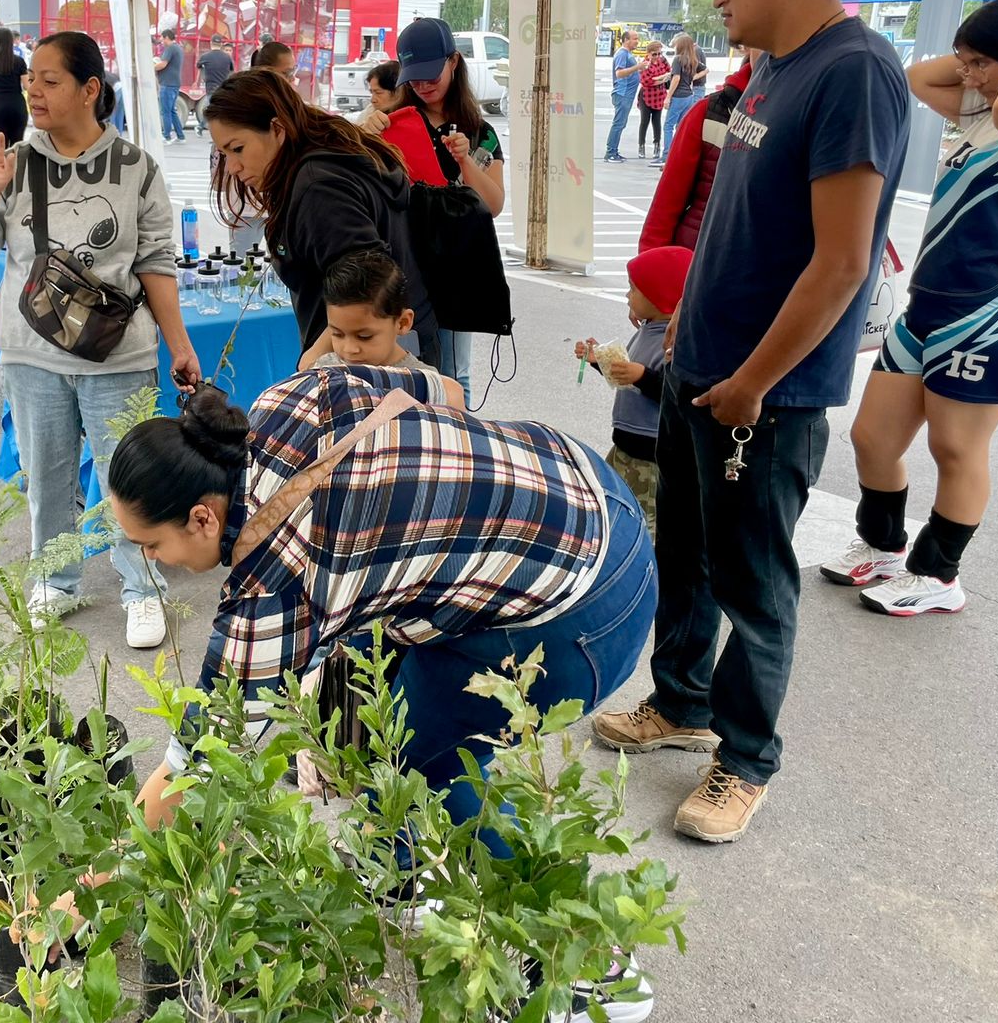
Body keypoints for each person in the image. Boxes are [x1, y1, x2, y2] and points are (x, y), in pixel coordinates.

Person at [591, 0, 911, 843]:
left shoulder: (852, 72)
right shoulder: (771, 66)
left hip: (762, 395)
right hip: (704, 368)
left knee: (754, 581)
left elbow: (842, 260)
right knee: (684, 552)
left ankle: (745, 759)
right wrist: (686, 323)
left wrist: (753, 382)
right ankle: (681, 700)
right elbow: (735, 225)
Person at [106, 367, 655, 869]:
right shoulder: (289, 399)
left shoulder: (273, 584)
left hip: (578, 613)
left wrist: (85, 889)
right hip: (588, 487)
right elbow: (446, 393)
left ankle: (575, 954)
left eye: (149, 545)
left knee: (410, 764)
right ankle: (401, 868)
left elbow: (195, 765)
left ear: (202, 518)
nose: (151, 561)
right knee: (372, 720)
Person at [0, 31, 199, 650]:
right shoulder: (13, 163)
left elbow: (156, 261)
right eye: (29, 77)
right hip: (31, 353)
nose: (32, 88)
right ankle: (55, 581)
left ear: (90, 89)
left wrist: (179, 344)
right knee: (47, 473)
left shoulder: (137, 168)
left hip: (119, 352)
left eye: (49, 79)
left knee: (129, 476)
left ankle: (142, 588)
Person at [822, 0, 998, 616]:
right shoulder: (982, 110)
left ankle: (939, 575)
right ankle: (883, 546)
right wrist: (975, 62)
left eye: (980, 62)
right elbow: (918, 77)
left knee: (956, 449)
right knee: (871, 437)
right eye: (964, 61)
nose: (965, 75)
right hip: (925, 306)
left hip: (986, 312)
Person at [204, 68, 421, 361]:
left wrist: (311, 362)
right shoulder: (328, 156)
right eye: (223, 154)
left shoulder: (319, 187)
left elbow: (368, 280)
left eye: (238, 149)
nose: (232, 167)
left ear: (278, 129)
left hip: (360, 367)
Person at [393, 17, 506, 399]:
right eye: (414, 78)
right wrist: (366, 131)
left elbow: (493, 205)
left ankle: (458, 449)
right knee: (405, 372)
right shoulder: (395, 126)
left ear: (453, 62)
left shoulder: (479, 132)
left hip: (457, 269)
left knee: (455, 374)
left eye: (431, 75)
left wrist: (466, 162)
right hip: (404, 266)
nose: (422, 86)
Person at [573, 246, 694, 538]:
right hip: (625, 444)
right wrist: (599, 359)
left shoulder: (675, 343)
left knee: (644, 522)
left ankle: (645, 571)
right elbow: (626, 376)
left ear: (659, 295)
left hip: (650, 452)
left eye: (634, 289)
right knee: (610, 503)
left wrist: (642, 376)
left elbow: (675, 394)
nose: (628, 295)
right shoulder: (647, 329)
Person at [302, 250, 463, 410]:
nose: (350, 349)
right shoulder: (325, 369)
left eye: (364, 336)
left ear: (402, 323)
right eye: (337, 334)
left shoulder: (426, 385)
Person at [637, 50, 758, 252]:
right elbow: (665, 207)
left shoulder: (811, 114)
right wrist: (650, 268)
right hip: (697, 260)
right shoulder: (707, 112)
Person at [655, 34, 702, 165]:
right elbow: (698, 73)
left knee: (668, 126)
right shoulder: (693, 60)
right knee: (680, 126)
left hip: (678, 95)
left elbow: (676, 78)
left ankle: (666, 155)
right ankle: (677, 153)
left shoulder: (678, 59)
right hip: (689, 95)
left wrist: (668, 97)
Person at [604, 31, 643, 163]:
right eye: (634, 39)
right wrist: (637, 67)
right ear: (626, 40)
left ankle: (613, 151)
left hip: (627, 94)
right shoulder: (622, 54)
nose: (637, 41)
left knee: (621, 123)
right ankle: (610, 152)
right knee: (618, 123)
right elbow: (619, 73)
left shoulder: (627, 54)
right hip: (623, 93)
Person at [344, 60, 403, 133]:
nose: (372, 100)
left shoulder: (410, 118)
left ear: (398, 92)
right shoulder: (370, 112)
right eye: (371, 92)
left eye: (378, 93)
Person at [636, 41, 670, 161]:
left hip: (659, 95)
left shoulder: (663, 60)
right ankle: (641, 146)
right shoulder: (645, 64)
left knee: (657, 122)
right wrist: (661, 79)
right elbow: (646, 81)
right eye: (654, 54)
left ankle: (657, 146)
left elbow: (669, 73)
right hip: (647, 96)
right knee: (644, 122)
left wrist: (658, 79)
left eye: (659, 53)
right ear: (649, 54)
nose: (657, 56)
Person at [194, 34, 234, 133]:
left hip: (211, 88)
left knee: (212, 111)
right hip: (223, 88)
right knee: (218, 112)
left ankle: (204, 128)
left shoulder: (205, 57)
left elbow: (198, 66)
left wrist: (199, 80)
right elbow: (232, 71)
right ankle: (203, 128)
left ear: (211, 43)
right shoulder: (227, 58)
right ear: (221, 44)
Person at [154, 27, 186, 144]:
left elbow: (162, 64)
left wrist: (151, 67)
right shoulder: (178, 48)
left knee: (166, 111)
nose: (161, 41)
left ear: (167, 37)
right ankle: (180, 136)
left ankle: (166, 136)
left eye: (162, 38)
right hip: (174, 83)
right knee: (172, 111)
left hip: (167, 84)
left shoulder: (170, 48)